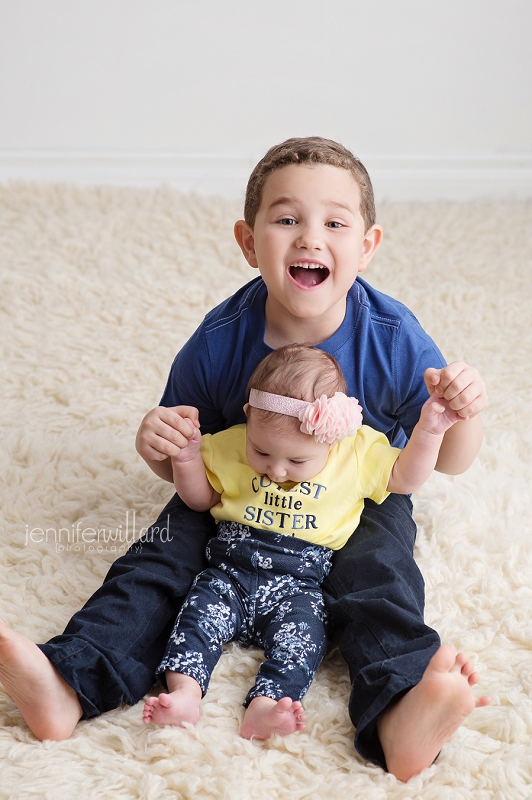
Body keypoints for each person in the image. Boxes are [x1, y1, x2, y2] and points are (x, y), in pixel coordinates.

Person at [0, 136, 489, 782]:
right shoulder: (222, 338)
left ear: (367, 246)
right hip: (237, 488)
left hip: (354, 497)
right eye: (286, 219)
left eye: (335, 223)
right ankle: (73, 679)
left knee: (381, 578)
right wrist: (160, 444)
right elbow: (184, 443)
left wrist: (461, 412)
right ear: (248, 241)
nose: (310, 238)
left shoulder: (391, 338)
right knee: (158, 558)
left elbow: (449, 461)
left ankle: (400, 712)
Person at [142, 343, 479, 740]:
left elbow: (405, 478)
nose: (277, 470)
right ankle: (184, 692)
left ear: (332, 440)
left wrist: (429, 430)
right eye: (262, 451)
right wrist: (186, 460)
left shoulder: (353, 454)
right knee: (195, 621)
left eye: (297, 461)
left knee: (302, 641)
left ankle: (266, 706)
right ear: (248, 417)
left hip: (300, 587)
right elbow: (202, 500)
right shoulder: (232, 443)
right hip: (227, 574)